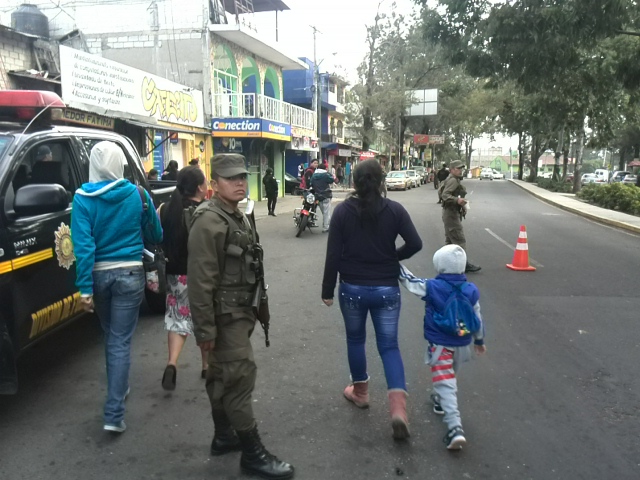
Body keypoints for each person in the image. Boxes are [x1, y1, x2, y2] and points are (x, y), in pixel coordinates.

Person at [187, 154, 294, 479]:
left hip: (239, 312)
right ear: (214, 182)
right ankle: (252, 453)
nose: (238, 183)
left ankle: (223, 436)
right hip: (224, 317)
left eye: (242, 177)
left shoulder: (236, 215)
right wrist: (204, 331)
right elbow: (200, 281)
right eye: (230, 178)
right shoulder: (209, 221)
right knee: (238, 379)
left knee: (220, 376)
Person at [321, 160, 422, 440]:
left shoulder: (342, 212)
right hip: (386, 290)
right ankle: (398, 410)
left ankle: (361, 393)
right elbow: (415, 243)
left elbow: (333, 254)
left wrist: (327, 290)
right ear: (381, 182)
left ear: (354, 182)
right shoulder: (395, 210)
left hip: (352, 287)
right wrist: (392, 257)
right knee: (389, 346)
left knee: (356, 340)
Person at [71, 141, 162, 433]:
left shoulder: (82, 200)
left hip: (98, 278)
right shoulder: (138, 194)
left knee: (111, 336)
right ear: (120, 164)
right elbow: (156, 234)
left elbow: (83, 248)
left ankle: (118, 392)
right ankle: (114, 412)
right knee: (119, 340)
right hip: (131, 275)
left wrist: (84, 289)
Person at [399, 244, 486, 449]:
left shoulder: (434, 287)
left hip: (441, 345)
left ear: (440, 266)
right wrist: (480, 341)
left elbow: (411, 283)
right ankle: (438, 400)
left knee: (446, 383)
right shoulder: (471, 290)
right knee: (450, 376)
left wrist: (396, 266)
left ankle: (454, 426)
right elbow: (477, 316)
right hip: (462, 345)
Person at [159, 166, 209, 391]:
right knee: (204, 318)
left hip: (175, 274)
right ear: (200, 187)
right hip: (201, 274)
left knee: (178, 318)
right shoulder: (206, 212)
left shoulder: (165, 209)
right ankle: (207, 365)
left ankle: (172, 363)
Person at [439, 160, 481, 273]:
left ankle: (446, 263)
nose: (460, 170)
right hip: (451, 214)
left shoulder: (452, 179)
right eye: (458, 168)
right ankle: (463, 264)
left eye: (461, 168)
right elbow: (445, 195)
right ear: (452, 169)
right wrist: (458, 200)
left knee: (450, 241)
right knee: (459, 239)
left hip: (450, 213)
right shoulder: (452, 180)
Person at [310, 162, 335, 233]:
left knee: (324, 212)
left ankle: (327, 225)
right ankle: (326, 227)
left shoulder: (314, 175)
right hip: (326, 195)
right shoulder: (326, 175)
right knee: (326, 212)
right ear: (325, 168)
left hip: (318, 196)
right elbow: (332, 180)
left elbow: (310, 183)